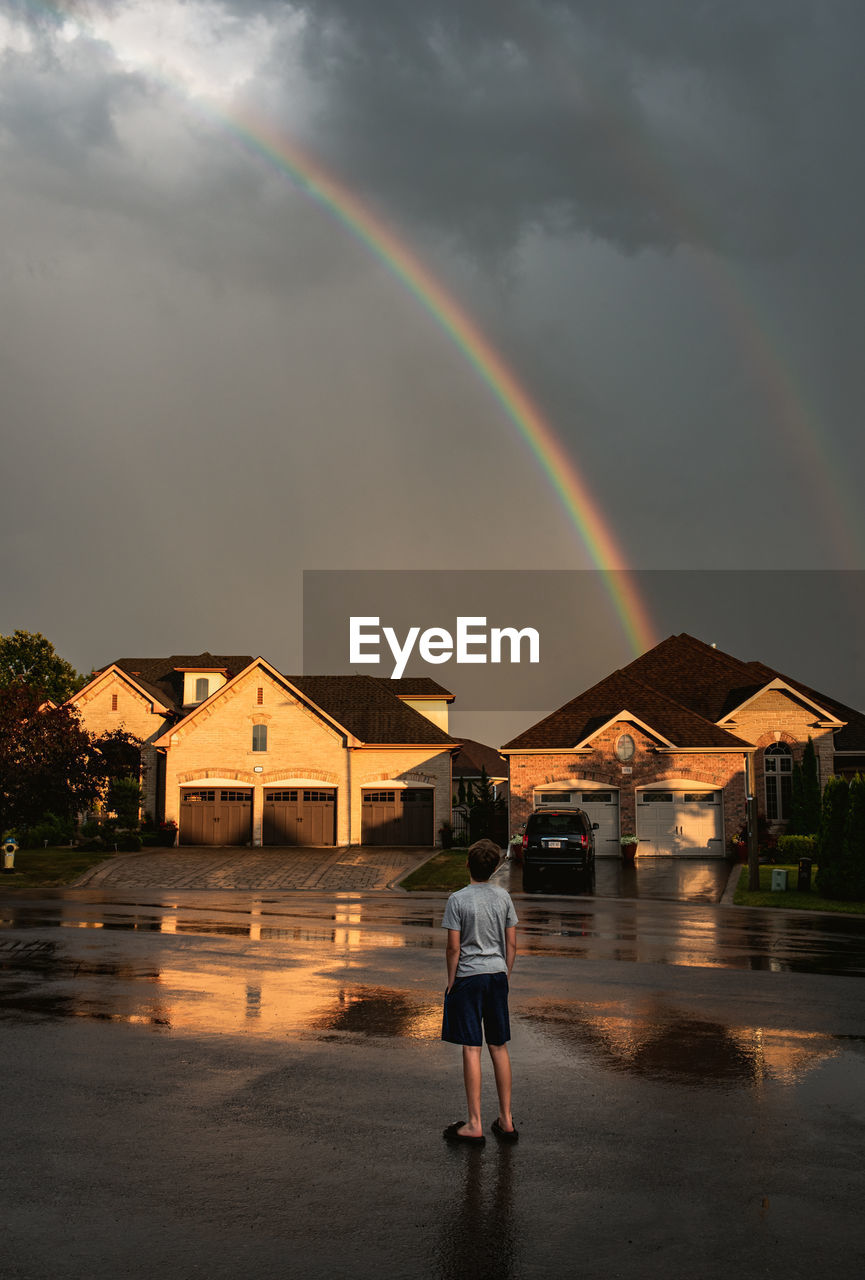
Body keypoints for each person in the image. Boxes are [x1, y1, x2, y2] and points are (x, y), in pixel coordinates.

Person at [441, 838, 519, 1144]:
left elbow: (452, 948)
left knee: (472, 1048)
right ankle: (507, 1120)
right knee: (498, 1046)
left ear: (466, 865)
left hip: (468, 979)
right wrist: (505, 974)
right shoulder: (504, 898)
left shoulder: (457, 900)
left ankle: (474, 1123)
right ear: (496, 867)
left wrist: (451, 980)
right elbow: (511, 943)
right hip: (497, 976)